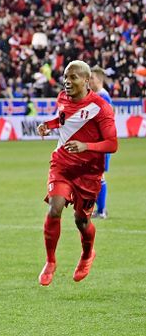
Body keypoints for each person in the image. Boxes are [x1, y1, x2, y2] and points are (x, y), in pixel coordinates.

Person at [37, 61, 117, 285]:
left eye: (73, 77)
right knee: (55, 208)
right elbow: (63, 120)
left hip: (88, 173)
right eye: (65, 77)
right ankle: (50, 261)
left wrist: (86, 146)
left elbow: (112, 144)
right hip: (62, 163)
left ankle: (87, 254)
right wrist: (49, 125)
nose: (67, 81)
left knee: (81, 221)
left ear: (86, 80)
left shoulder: (101, 107)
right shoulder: (62, 97)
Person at [89, 66, 113, 219]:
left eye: (91, 78)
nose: (89, 81)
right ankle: (98, 209)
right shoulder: (97, 95)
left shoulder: (103, 96)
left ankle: (101, 210)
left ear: (98, 79)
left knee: (99, 176)